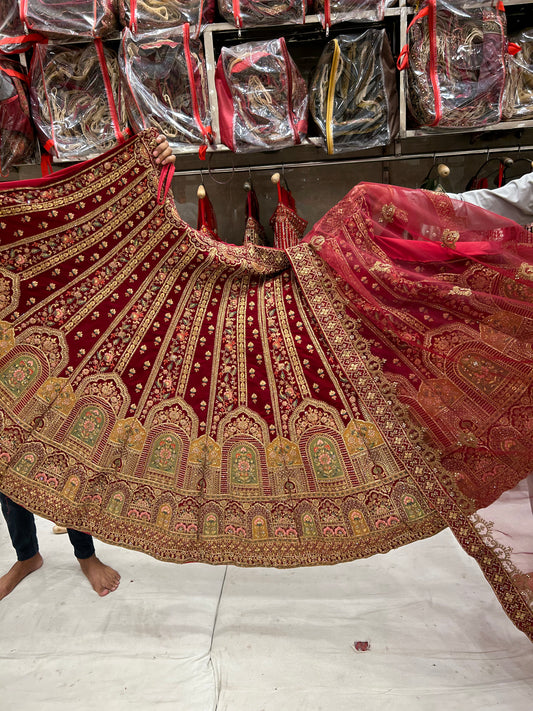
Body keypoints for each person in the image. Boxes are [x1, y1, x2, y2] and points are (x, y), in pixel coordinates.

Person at [0, 134, 175, 600]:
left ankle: (84, 553)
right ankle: (26, 556)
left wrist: (146, 168)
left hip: (53, 315)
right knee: (3, 453)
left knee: (68, 442)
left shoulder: (56, 116)